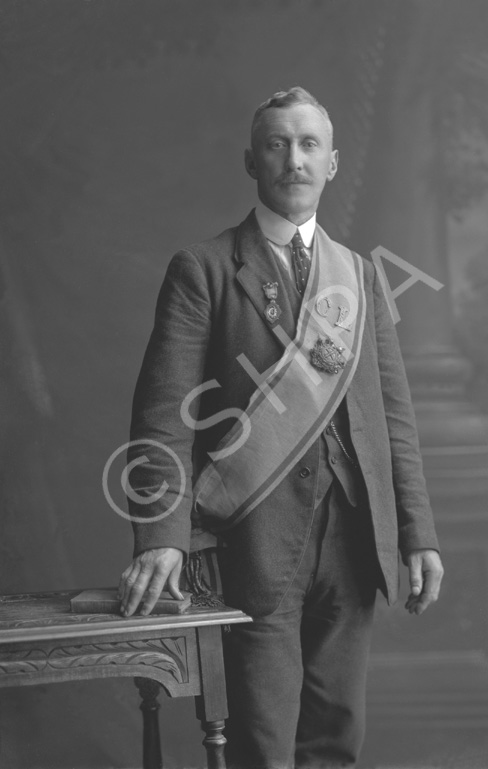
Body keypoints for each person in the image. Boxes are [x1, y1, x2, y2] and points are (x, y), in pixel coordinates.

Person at [117, 86, 444, 769]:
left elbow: (394, 416)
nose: (293, 159)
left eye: (308, 145)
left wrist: (416, 532)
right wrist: (162, 538)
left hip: (354, 540)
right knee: (264, 748)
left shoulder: (357, 275)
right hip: (254, 540)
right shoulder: (203, 270)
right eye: (277, 144)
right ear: (251, 160)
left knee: (335, 741)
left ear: (329, 163)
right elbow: (161, 417)